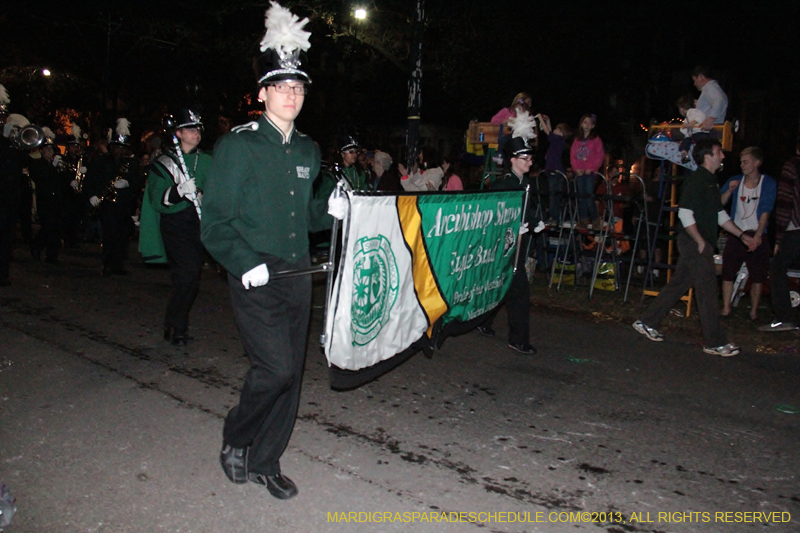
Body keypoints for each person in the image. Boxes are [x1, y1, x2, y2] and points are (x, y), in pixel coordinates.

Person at [200, 2, 345, 500]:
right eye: (282, 87)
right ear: (262, 93)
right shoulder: (237, 146)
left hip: (298, 272)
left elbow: (306, 218)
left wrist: (334, 208)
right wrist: (244, 264)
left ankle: (266, 460)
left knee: (293, 375)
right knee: (275, 368)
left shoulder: (308, 149)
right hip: (256, 274)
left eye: (298, 88)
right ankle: (237, 436)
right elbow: (214, 223)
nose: (291, 95)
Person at [633, 139, 752, 357]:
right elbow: (684, 212)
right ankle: (715, 341)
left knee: (678, 285)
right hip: (694, 242)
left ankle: (647, 322)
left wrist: (741, 235)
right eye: (719, 152)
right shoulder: (696, 180)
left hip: (697, 242)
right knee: (707, 291)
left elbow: (719, 215)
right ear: (708, 155)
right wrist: (699, 241)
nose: (723, 156)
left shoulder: (710, 180)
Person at [142, 108, 212, 346]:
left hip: (198, 223)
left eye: (198, 129)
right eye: (191, 129)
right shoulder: (164, 163)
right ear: (179, 133)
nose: (196, 133)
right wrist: (179, 191)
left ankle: (173, 322)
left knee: (191, 279)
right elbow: (156, 199)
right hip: (175, 224)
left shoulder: (207, 161)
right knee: (187, 275)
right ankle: (177, 327)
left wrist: (204, 196)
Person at [477, 111, 543, 355]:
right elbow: (496, 218)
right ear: (513, 159)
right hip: (507, 249)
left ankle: (483, 322)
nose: (529, 162)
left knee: (501, 288)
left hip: (519, 248)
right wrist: (513, 227)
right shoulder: (504, 185)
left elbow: (528, 209)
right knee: (519, 295)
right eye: (525, 158)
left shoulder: (524, 183)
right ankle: (518, 339)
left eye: (530, 158)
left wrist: (536, 222)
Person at [719, 147, 775, 320]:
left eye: (746, 162)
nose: (742, 165)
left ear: (757, 162)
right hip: (737, 232)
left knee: (758, 275)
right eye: (741, 162)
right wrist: (729, 190)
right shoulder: (735, 180)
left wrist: (758, 235)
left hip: (757, 232)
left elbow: (766, 211)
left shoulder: (768, 183)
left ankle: (753, 312)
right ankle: (726, 308)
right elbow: (719, 203)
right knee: (728, 271)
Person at [83, 118, 143, 276]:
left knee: (123, 237)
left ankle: (118, 264)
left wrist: (128, 183)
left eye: (122, 148)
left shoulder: (132, 164)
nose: (119, 151)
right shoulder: (100, 161)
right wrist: (93, 196)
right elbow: (90, 180)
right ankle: (108, 263)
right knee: (109, 235)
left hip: (124, 205)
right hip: (107, 205)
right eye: (117, 147)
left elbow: (138, 182)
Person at [759, 140, 800, 332]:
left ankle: (785, 317)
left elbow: (785, 201)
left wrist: (779, 237)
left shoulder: (792, 166)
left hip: (796, 227)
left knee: (777, 267)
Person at [28, 132, 64, 264]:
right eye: (47, 149)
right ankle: (36, 247)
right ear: (42, 150)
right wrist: (52, 168)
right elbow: (41, 179)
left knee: (56, 228)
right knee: (47, 226)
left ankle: (52, 256)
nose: (50, 152)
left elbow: (60, 182)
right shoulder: (37, 164)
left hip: (57, 200)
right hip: (45, 199)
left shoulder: (57, 164)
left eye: (52, 149)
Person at [570, 114, 605, 229]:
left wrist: (592, 168)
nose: (587, 125)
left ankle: (595, 220)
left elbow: (599, 156)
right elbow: (573, 156)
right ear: (581, 124)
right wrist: (576, 168)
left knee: (589, 196)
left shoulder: (596, 140)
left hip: (589, 173)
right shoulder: (577, 140)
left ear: (593, 126)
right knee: (581, 197)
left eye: (590, 123)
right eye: (585, 122)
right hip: (579, 173)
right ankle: (583, 220)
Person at [537, 114, 572, 224]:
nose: (555, 130)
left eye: (557, 129)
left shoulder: (557, 140)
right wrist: (548, 120)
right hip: (557, 171)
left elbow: (548, 132)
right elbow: (550, 132)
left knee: (553, 195)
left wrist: (539, 118)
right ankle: (557, 217)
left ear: (561, 133)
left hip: (554, 171)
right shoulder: (558, 141)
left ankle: (554, 218)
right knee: (556, 195)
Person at [490, 92, 533, 165]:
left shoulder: (527, 114)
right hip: (508, 138)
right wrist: (504, 120)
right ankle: (500, 156)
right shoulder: (506, 111)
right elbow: (493, 120)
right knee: (502, 140)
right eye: (528, 102)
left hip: (519, 139)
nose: (530, 104)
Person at [692, 65, 728, 133]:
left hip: (709, 132)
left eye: (695, 80)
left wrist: (710, 119)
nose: (695, 84)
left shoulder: (710, 87)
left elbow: (719, 100)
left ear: (701, 77)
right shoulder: (714, 88)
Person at [676, 95, 710, 164]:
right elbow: (685, 131)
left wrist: (691, 124)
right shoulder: (687, 118)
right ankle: (684, 154)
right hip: (693, 135)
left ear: (682, 108)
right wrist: (684, 128)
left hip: (701, 133)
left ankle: (701, 155)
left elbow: (702, 116)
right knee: (686, 141)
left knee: (700, 142)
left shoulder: (694, 111)